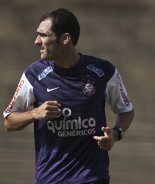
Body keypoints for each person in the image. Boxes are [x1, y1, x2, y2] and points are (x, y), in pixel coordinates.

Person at [3, 8, 134, 184]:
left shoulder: (103, 71)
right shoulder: (33, 75)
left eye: (43, 35)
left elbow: (126, 110)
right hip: (50, 179)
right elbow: (9, 122)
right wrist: (34, 114)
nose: (36, 41)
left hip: (93, 178)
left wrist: (115, 134)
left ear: (65, 39)